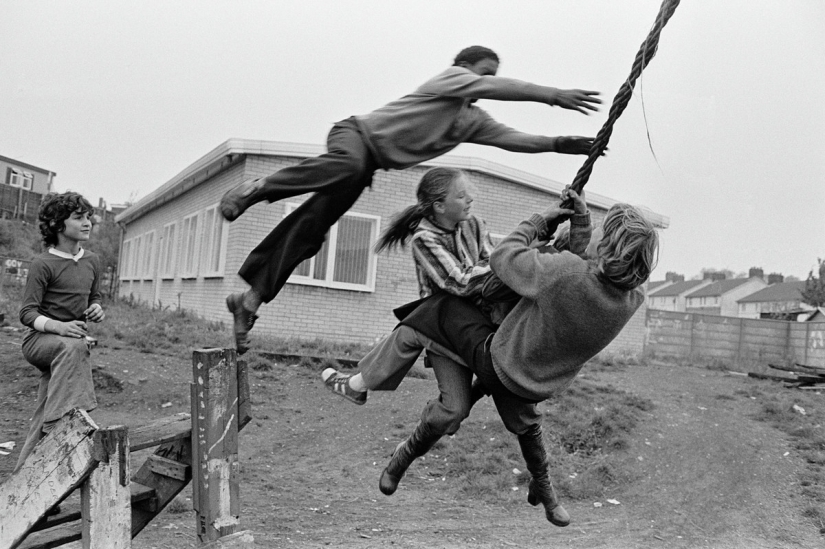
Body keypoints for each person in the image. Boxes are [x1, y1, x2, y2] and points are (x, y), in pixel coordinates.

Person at [220, 45, 602, 354]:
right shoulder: (451, 80)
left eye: (490, 76)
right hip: (354, 137)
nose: (485, 82)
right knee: (348, 167)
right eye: (482, 73)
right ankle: (259, 187)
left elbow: (515, 139)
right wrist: (552, 96)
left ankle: (249, 303)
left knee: (309, 231)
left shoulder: (472, 121)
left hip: (363, 167)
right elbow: (492, 89)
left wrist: (558, 144)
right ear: (464, 68)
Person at [348, 193, 658, 527]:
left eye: (599, 232)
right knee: (529, 429)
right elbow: (588, 263)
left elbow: (504, 258)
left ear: (609, 247)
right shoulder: (632, 299)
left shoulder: (566, 274)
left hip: (497, 361)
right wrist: (581, 222)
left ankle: (402, 453)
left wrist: (539, 221)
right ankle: (545, 492)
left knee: (439, 310)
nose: (592, 233)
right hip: (535, 385)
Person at [322, 167, 496, 434]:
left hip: (476, 323)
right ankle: (362, 388)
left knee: (410, 329)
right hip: (441, 326)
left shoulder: (475, 224)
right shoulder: (424, 239)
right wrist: (507, 261)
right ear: (439, 205)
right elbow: (460, 282)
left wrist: (508, 262)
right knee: (454, 410)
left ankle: (356, 384)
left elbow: (491, 260)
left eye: (469, 193)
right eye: (461, 196)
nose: (470, 199)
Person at [15, 192, 105, 472]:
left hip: (69, 346)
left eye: (88, 217)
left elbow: (95, 296)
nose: (87, 222)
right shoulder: (43, 263)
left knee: (44, 409)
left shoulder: (92, 260)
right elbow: (27, 314)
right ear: (56, 224)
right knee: (75, 346)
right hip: (40, 342)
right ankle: (61, 424)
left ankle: (22, 480)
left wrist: (96, 308)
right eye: (78, 217)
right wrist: (60, 327)